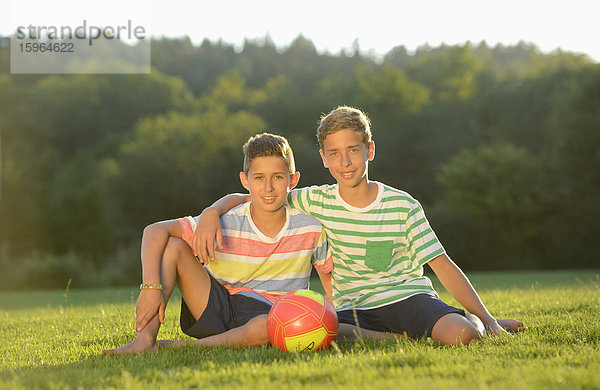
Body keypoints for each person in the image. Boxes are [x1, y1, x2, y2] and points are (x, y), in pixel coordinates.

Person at [193, 106, 525, 346]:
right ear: (324, 158)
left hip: (407, 298)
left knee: (465, 337)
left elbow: (442, 265)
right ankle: (393, 337)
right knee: (333, 329)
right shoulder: (314, 200)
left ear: (370, 150)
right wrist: (212, 211)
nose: (345, 162)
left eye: (353, 150)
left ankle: (476, 319)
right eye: (334, 154)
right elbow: (260, 193)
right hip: (353, 311)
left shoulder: (402, 205)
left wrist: (490, 320)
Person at [103, 133, 334, 354]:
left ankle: (180, 347)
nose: (268, 187)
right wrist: (150, 288)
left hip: (271, 316)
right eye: (259, 178)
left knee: (264, 326)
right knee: (173, 246)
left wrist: (335, 317)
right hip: (215, 305)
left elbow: (328, 279)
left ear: (292, 180)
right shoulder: (224, 220)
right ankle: (145, 339)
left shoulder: (310, 228)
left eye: (278, 177)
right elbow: (154, 231)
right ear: (245, 181)